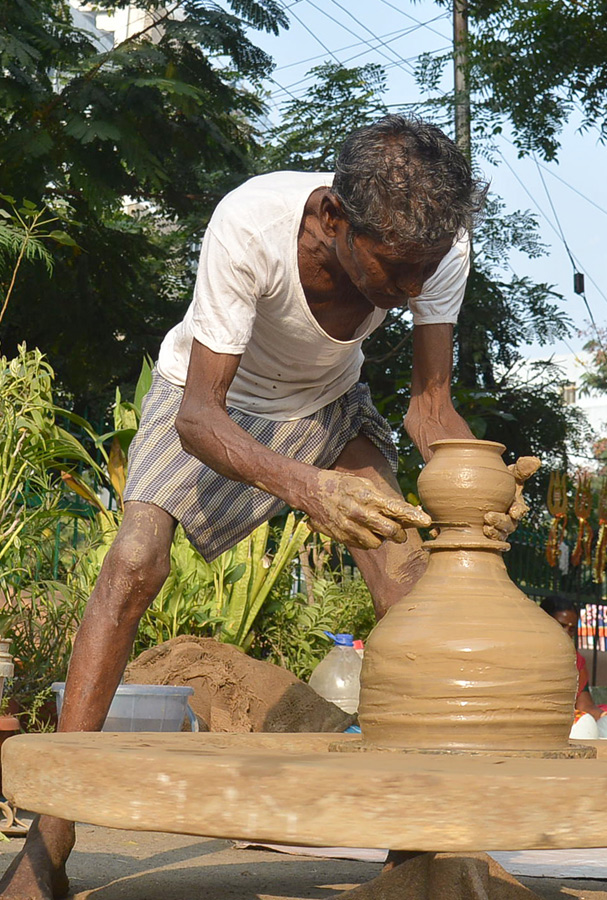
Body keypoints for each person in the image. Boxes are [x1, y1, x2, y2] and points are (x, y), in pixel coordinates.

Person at [0, 116, 521, 900]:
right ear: (332, 220)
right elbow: (199, 418)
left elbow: (430, 412)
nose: (414, 290)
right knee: (135, 557)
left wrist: (484, 486)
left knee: (413, 582)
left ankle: (425, 841)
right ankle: (54, 829)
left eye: (427, 269)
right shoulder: (252, 222)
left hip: (331, 404)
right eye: (395, 273)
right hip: (213, 403)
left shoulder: (435, 245)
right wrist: (309, 489)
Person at [540, 596, 603, 721]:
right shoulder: (524, 654)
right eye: (561, 626)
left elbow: (585, 706)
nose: (566, 633)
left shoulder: (575, 660)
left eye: (572, 629)